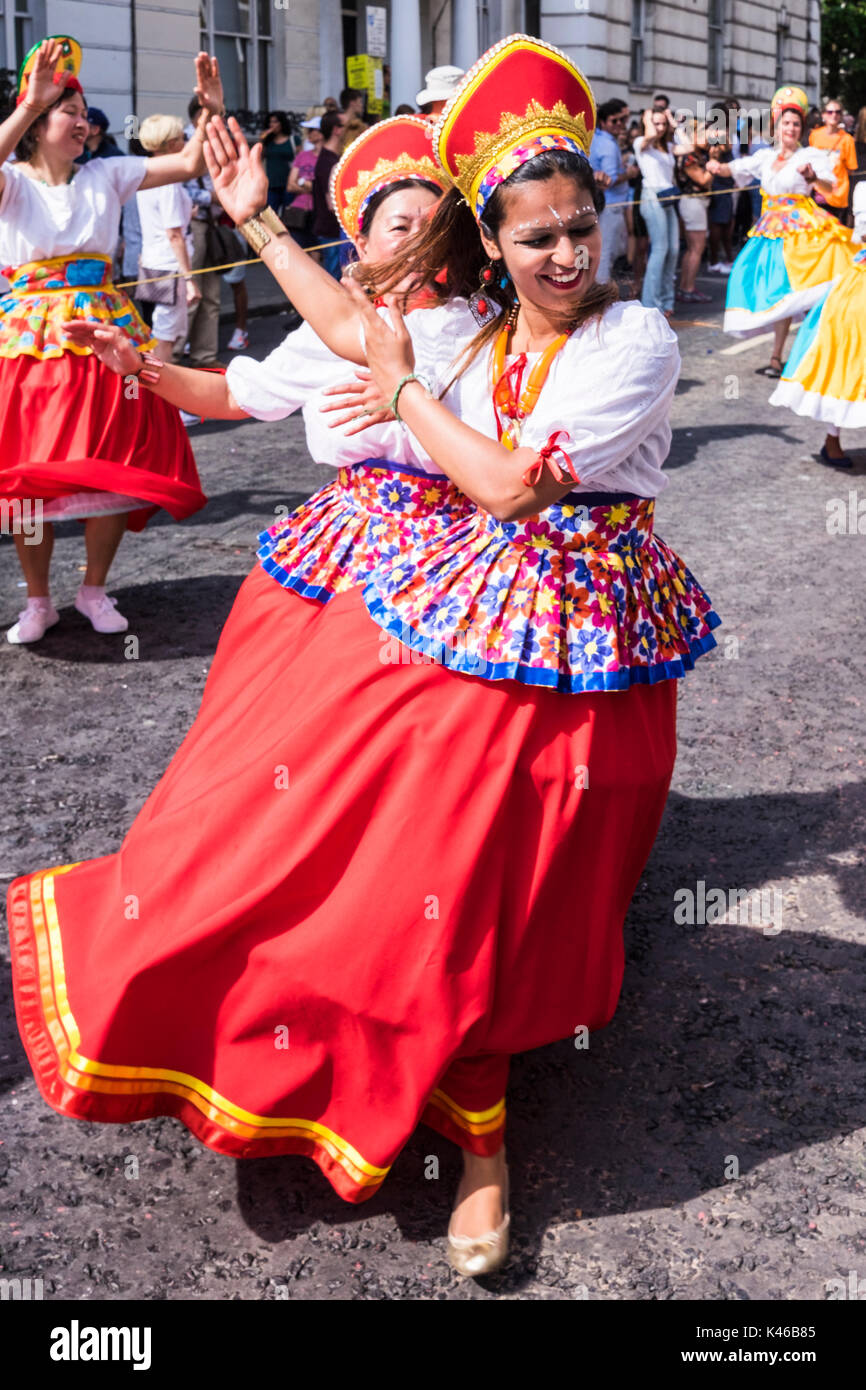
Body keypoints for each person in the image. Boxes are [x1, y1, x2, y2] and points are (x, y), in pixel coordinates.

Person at [7, 36, 720, 1282]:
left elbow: (495, 480)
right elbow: (341, 341)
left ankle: (478, 1130)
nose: (567, 253)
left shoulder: (634, 339)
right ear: (488, 247)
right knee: (347, 812)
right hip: (458, 606)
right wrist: (262, 231)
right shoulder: (473, 335)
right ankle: (288, 989)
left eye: (581, 225)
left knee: (490, 861)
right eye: (536, 235)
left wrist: (399, 397)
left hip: (577, 640)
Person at [65, 113, 467, 624]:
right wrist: (139, 366)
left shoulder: (484, 322)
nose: (418, 242)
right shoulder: (332, 332)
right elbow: (235, 396)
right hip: (362, 547)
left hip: (467, 544)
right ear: (363, 246)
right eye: (400, 227)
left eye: (433, 227)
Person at [0, 36, 220, 644]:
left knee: (117, 463)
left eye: (83, 112)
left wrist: (207, 111)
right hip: (30, 345)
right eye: (68, 112)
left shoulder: (106, 174)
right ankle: (38, 600)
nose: (82, 121)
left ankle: (94, 588)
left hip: (105, 335)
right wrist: (26, 103)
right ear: (38, 123)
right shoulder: (12, 184)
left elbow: (191, 164)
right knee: (29, 475)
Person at [708, 85, 854, 376]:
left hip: (802, 232)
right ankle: (780, 357)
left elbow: (830, 186)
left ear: (801, 129)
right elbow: (735, 168)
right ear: (777, 126)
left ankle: (800, 355)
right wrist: (714, 165)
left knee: (805, 293)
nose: (790, 127)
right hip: (771, 231)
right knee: (772, 290)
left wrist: (814, 179)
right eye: (786, 122)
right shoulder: (765, 157)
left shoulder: (811, 155)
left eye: (796, 124)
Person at [769, 181, 866, 469]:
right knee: (848, 358)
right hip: (860, 283)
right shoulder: (863, 189)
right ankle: (832, 438)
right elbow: (863, 234)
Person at [135, 114, 200, 363]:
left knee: (158, 328)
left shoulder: (146, 175)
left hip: (152, 259)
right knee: (166, 336)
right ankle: (161, 395)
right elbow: (174, 234)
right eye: (182, 137)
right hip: (169, 264)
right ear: (172, 143)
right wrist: (189, 278)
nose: (185, 140)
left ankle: (157, 393)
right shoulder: (169, 182)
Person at [634, 107, 679, 317]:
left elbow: (689, 146)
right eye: (657, 123)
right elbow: (650, 135)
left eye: (663, 124)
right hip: (651, 195)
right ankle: (651, 303)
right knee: (660, 249)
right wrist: (647, 117)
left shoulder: (668, 147)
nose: (660, 128)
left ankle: (667, 299)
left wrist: (672, 122)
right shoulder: (641, 143)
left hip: (668, 196)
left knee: (674, 249)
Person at [589, 98, 634, 282]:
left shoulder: (599, 139)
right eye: (615, 121)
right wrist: (629, 174)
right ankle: (602, 295)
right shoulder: (606, 143)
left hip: (605, 204)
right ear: (603, 122)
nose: (620, 125)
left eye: (623, 120)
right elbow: (610, 179)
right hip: (611, 204)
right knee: (606, 251)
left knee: (602, 251)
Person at [674, 121, 713, 303]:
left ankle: (686, 287)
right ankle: (687, 288)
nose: (709, 139)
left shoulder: (697, 155)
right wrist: (715, 165)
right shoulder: (689, 157)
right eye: (705, 134)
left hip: (696, 203)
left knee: (693, 249)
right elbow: (703, 180)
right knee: (696, 248)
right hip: (692, 202)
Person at [809, 97, 857, 225]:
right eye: (830, 112)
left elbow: (851, 169)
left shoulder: (847, 139)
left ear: (841, 115)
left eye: (837, 112)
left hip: (838, 194)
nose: (834, 115)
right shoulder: (815, 135)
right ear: (824, 115)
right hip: (818, 193)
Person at [312, 109, 345, 278]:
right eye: (345, 126)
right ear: (336, 130)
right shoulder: (328, 162)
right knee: (335, 280)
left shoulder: (330, 158)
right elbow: (332, 204)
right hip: (331, 230)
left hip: (331, 230)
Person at [284, 116, 322, 252]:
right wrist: (307, 185)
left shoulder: (328, 158)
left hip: (318, 212)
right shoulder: (303, 155)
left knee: (316, 251)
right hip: (298, 210)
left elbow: (320, 188)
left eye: (312, 130)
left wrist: (301, 182)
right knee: (297, 251)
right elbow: (290, 185)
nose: (309, 133)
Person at [257, 110, 295, 214]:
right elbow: (259, 157)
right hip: (272, 184)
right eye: (270, 122)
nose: (272, 125)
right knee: (269, 215)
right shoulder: (268, 142)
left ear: (282, 123)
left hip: (288, 184)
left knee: (289, 215)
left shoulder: (293, 140)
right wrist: (262, 140)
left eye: (275, 122)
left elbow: (299, 160)